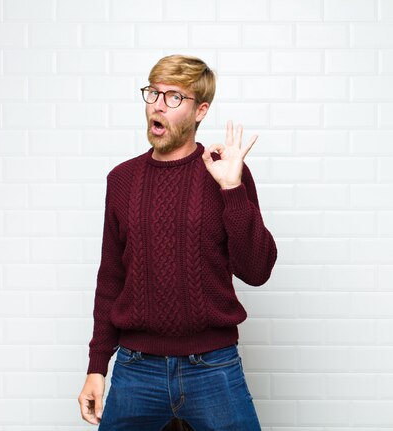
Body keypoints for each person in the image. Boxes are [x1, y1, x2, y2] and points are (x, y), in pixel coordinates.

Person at [77, 54, 277, 431]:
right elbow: (110, 279)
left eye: (173, 97)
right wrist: (96, 367)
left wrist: (232, 189)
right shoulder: (121, 180)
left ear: (200, 110)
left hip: (213, 367)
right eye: (153, 93)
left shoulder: (226, 171)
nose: (157, 104)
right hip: (136, 369)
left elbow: (257, 271)